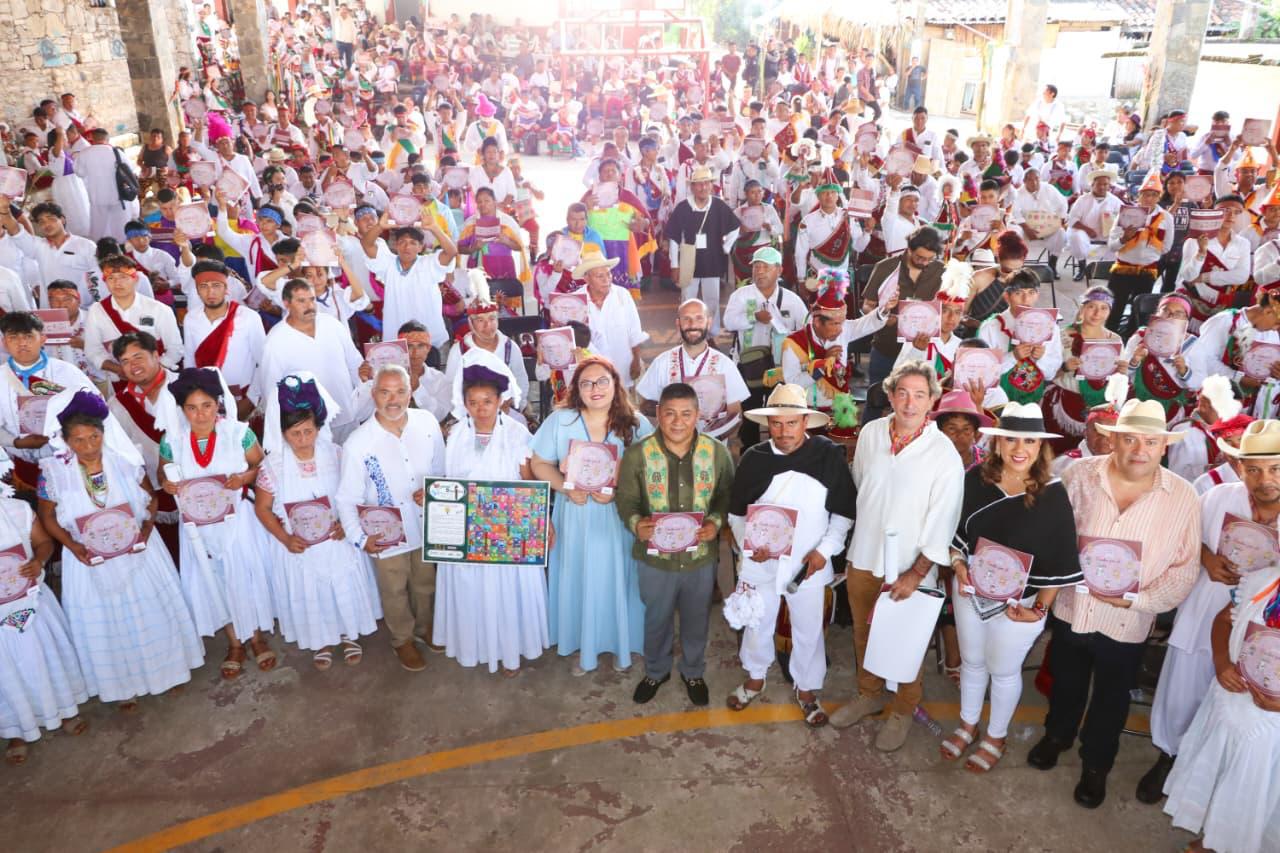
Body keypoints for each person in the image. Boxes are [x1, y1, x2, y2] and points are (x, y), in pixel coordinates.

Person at [1028, 399, 1200, 808]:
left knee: (1112, 696)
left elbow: (1184, 568)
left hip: (1129, 621)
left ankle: (1096, 764)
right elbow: (1053, 535)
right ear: (1114, 440)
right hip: (1073, 608)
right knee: (1066, 681)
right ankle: (1057, 736)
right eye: (1129, 439)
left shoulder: (1183, 497)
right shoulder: (1079, 475)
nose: (1139, 450)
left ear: (1164, 446)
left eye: (1150, 442)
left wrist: (1140, 601)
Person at [35, 390, 203, 711]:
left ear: (103, 433)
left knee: (151, 609)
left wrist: (147, 528)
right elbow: (47, 517)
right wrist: (73, 546)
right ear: (66, 441)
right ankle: (122, 686)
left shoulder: (124, 460)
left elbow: (151, 498)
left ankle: (168, 671)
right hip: (89, 557)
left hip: (137, 549)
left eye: (94, 437)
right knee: (106, 620)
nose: (88, 446)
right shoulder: (54, 473)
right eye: (78, 440)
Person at [1138, 419, 1277, 808]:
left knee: (1241, 702)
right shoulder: (1218, 497)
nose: (1264, 479)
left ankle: (1219, 776)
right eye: (1253, 469)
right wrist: (1206, 557)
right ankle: (1169, 755)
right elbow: (1180, 537)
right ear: (1239, 466)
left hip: (1262, 631)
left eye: (1275, 468)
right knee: (1181, 689)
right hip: (1205, 610)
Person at [941, 403, 1083, 772]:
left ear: (1041, 447)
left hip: (1021, 603)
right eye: (1011, 439)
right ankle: (968, 724)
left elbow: (1061, 559)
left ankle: (996, 736)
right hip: (971, 591)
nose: (1020, 448)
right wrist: (958, 565)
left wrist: (1039, 610)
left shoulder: (1053, 493)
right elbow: (955, 536)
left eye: (1029, 441)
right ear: (997, 442)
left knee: (1003, 670)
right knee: (973, 662)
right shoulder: (975, 479)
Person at [831, 361, 964, 749]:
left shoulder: (943, 453)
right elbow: (861, 488)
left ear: (932, 401)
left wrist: (917, 573)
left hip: (910, 567)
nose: (909, 403)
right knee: (864, 632)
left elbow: (944, 520)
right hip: (864, 555)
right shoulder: (871, 433)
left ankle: (904, 709)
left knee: (907, 642)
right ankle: (869, 694)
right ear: (889, 395)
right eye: (902, 393)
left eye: (919, 395)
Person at [724, 383, 855, 726]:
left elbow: (843, 514)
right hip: (761, 563)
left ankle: (807, 689)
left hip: (809, 564)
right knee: (757, 622)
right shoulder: (754, 459)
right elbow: (736, 514)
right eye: (777, 424)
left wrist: (824, 552)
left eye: (791, 423)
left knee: (809, 630)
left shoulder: (827, 456)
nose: (784, 432)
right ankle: (755, 677)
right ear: (768, 424)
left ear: (805, 422)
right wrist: (749, 544)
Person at [529, 356, 652, 675]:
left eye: (602, 381)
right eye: (586, 383)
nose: (595, 388)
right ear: (576, 389)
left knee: (618, 578)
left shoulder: (636, 423)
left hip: (619, 518)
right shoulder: (561, 421)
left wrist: (619, 490)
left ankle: (620, 643)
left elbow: (651, 472)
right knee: (579, 577)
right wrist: (565, 488)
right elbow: (539, 463)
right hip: (576, 514)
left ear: (615, 384)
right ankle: (582, 645)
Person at [1161, 525, 1280, 852]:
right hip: (1234, 702)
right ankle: (1215, 839)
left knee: (1259, 791)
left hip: (1272, 727)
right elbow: (1224, 620)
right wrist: (1221, 661)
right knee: (1227, 779)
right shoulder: (1262, 582)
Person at [615, 382, 734, 706]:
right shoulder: (638, 455)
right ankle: (656, 671)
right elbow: (626, 500)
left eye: (686, 414)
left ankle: (693, 671)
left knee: (697, 618)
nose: (678, 422)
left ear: (697, 415)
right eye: (669, 414)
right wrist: (636, 524)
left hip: (700, 559)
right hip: (655, 560)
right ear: (657, 413)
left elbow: (726, 496)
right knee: (657, 619)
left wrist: (715, 523)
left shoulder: (716, 453)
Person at [254, 373, 381, 671]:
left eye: (308, 431)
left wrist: (346, 524)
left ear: (318, 428)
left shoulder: (336, 455)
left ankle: (349, 634)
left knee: (342, 583)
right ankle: (320, 640)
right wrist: (285, 539)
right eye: (295, 434)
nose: (302, 439)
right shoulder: (273, 466)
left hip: (337, 538)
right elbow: (263, 509)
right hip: (299, 545)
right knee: (310, 591)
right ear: (283, 433)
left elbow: (356, 493)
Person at [154, 367, 273, 679]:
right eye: (191, 408)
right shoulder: (173, 441)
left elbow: (261, 467)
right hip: (197, 526)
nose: (201, 414)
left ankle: (256, 637)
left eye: (207, 405)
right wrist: (167, 482)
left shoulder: (238, 433)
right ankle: (234, 642)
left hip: (236, 520)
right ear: (182, 409)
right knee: (212, 578)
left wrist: (243, 478)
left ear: (218, 403)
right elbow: (162, 471)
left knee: (243, 574)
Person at [432, 365, 548, 676]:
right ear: (465, 404)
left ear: (500, 401)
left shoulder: (517, 434)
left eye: (487, 400)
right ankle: (476, 647)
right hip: (467, 531)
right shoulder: (456, 435)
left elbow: (529, 482)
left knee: (504, 591)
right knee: (472, 590)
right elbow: (447, 480)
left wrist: (541, 522)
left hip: (507, 529)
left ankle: (509, 652)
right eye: (473, 402)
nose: (480, 408)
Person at [336, 364, 445, 673]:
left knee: (426, 581)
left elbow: (441, 468)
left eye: (400, 391)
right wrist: (360, 537)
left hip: (425, 522)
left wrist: (434, 491)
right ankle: (402, 639)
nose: (393, 400)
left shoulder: (427, 423)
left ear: (410, 393)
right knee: (394, 588)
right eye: (385, 392)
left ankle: (425, 627)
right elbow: (346, 498)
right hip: (385, 532)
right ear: (374, 395)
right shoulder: (358, 442)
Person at [0, 445, 89, 766]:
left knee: (46, 657)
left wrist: (38, 561)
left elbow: (43, 543)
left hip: (31, 600)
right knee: (7, 671)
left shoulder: (17, 510)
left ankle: (64, 710)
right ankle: (16, 729)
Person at [782, 269, 891, 438]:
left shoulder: (844, 329)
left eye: (842, 323)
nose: (840, 330)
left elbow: (867, 324)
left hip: (841, 409)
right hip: (807, 411)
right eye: (834, 324)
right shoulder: (794, 344)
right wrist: (822, 365)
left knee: (841, 451)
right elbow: (793, 384)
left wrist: (884, 309)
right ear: (817, 322)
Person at [0, 311, 97, 492]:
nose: (22, 343)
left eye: (28, 336)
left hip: (70, 461)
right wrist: (17, 442)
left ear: (43, 339)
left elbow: (97, 412)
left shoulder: (67, 372)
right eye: (13, 338)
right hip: (23, 466)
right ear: (4, 343)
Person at [255, 280, 364, 442]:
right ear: (286, 304)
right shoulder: (275, 342)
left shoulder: (332, 324)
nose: (310, 306)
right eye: (301, 301)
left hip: (347, 415)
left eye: (312, 299)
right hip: (309, 429)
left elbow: (355, 364)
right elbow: (271, 392)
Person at [723, 246, 808, 447]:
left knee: (778, 410)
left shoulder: (792, 300)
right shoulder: (741, 295)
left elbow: (806, 329)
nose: (759, 272)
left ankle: (776, 450)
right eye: (756, 267)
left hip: (781, 368)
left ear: (779, 270)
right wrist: (753, 317)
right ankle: (750, 450)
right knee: (750, 412)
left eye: (765, 267)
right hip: (749, 365)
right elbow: (728, 322)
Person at [636, 299, 750, 443]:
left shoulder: (725, 364)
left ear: (709, 323)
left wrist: (711, 441)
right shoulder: (662, 362)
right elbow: (645, 405)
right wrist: (673, 408)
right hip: (671, 446)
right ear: (678, 324)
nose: (692, 324)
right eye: (686, 319)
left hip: (711, 449)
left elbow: (735, 414)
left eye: (699, 318)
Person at [361, 213, 458, 351]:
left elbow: (451, 252)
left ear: (421, 247)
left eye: (413, 243)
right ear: (396, 245)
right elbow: (366, 244)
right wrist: (380, 226)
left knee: (431, 365)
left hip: (429, 339)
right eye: (402, 242)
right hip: (397, 339)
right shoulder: (388, 263)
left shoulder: (429, 263)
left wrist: (434, 228)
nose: (407, 247)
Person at [182, 260, 266, 420]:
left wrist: (251, 399)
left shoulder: (248, 317)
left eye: (216, 285)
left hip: (242, 395)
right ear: (197, 290)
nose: (210, 292)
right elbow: (189, 359)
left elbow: (263, 361)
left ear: (226, 288)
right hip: (205, 397)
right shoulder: (191, 319)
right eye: (203, 286)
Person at [1040, 286, 1121, 451]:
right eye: (1092, 306)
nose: (1097, 313)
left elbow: (1117, 380)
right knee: (1057, 451)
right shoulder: (1063, 336)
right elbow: (1045, 373)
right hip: (1063, 403)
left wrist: (1124, 371)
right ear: (1082, 307)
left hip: (1099, 405)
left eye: (1104, 308)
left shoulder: (1115, 340)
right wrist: (1064, 367)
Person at [663, 165, 738, 332]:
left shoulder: (718, 205)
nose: (703, 187)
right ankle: (686, 332)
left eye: (706, 183)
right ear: (692, 187)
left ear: (711, 185)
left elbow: (735, 227)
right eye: (699, 184)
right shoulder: (683, 207)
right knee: (687, 300)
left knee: (712, 300)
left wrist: (725, 248)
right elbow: (674, 237)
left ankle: (711, 333)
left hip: (712, 260)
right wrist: (674, 265)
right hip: (688, 261)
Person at [84, 254, 183, 378]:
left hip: (156, 378)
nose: (117, 283)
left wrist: (150, 372)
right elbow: (92, 350)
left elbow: (175, 349)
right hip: (118, 379)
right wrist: (120, 370)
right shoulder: (96, 311)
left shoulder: (159, 310)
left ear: (135, 279)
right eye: (111, 278)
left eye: (123, 277)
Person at [977, 269, 1064, 404]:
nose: (1026, 299)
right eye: (1018, 293)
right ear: (1006, 296)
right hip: (997, 403)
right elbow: (981, 373)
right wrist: (1013, 357)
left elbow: (1050, 374)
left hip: (1033, 402)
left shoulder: (1050, 328)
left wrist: (1041, 358)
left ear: (1037, 295)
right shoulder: (990, 328)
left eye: (1031, 292)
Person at [1106, 171, 1175, 336]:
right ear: (1139, 195)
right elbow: (1111, 246)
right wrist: (1124, 239)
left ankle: (1131, 340)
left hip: (1147, 270)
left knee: (1139, 312)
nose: (1149, 198)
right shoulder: (1126, 213)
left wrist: (1151, 245)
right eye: (1145, 194)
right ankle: (1109, 339)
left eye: (1154, 195)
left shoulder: (1166, 218)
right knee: (1114, 308)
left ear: (1159, 197)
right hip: (1122, 269)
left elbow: (1166, 247)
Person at [575, 247, 647, 388]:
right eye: (600, 276)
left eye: (608, 274)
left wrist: (636, 360)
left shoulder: (622, 295)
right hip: (592, 371)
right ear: (586, 278)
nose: (606, 280)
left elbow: (635, 330)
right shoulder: (576, 301)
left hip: (623, 366)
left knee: (623, 397)